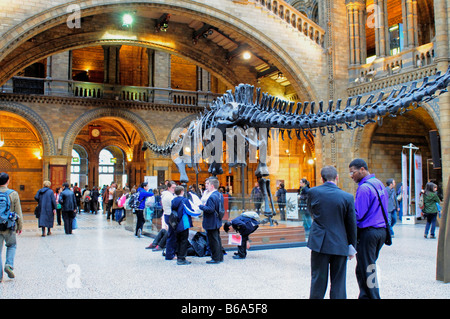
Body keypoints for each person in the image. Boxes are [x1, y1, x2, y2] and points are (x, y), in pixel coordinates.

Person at [306, 166, 357, 299]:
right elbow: (351, 224)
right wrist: (351, 246)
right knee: (339, 282)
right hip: (340, 243)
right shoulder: (347, 197)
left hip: (319, 243)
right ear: (337, 178)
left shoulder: (313, 192)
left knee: (318, 279)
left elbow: (312, 212)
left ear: (321, 178)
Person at [349, 158, 389, 299]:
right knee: (364, 267)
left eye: (352, 172)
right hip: (381, 231)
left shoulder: (364, 188)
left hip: (368, 232)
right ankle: (365, 296)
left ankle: (373, 296)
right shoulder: (378, 184)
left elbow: (358, 214)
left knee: (367, 268)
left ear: (362, 169)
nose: (351, 176)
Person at [0, 172, 23, 282]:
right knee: (12, 245)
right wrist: (20, 225)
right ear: (8, 181)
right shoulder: (13, 194)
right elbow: (18, 211)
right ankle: (8, 265)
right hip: (9, 226)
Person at [171, 185, 200, 265]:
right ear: (182, 192)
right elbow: (189, 211)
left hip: (176, 223)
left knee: (178, 240)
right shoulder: (184, 200)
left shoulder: (173, 200)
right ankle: (182, 258)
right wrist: (199, 212)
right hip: (184, 223)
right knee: (184, 241)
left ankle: (177, 256)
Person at [199, 177, 225, 264]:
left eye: (208, 184)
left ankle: (215, 258)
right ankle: (219, 257)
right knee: (217, 239)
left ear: (212, 186)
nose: (207, 186)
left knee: (213, 240)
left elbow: (210, 209)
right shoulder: (219, 195)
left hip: (211, 221)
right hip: (217, 220)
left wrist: (201, 206)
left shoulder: (211, 197)